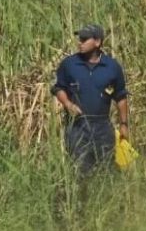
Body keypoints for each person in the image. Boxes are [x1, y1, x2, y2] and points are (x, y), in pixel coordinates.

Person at [51, 24, 129, 173]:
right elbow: (58, 88)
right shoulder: (69, 65)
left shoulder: (112, 67)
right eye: (80, 39)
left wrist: (124, 124)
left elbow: (120, 96)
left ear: (97, 42)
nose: (80, 42)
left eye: (85, 39)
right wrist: (68, 104)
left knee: (107, 170)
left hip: (103, 126)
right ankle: (81, 196)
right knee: (80, 170)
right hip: (78, 126)